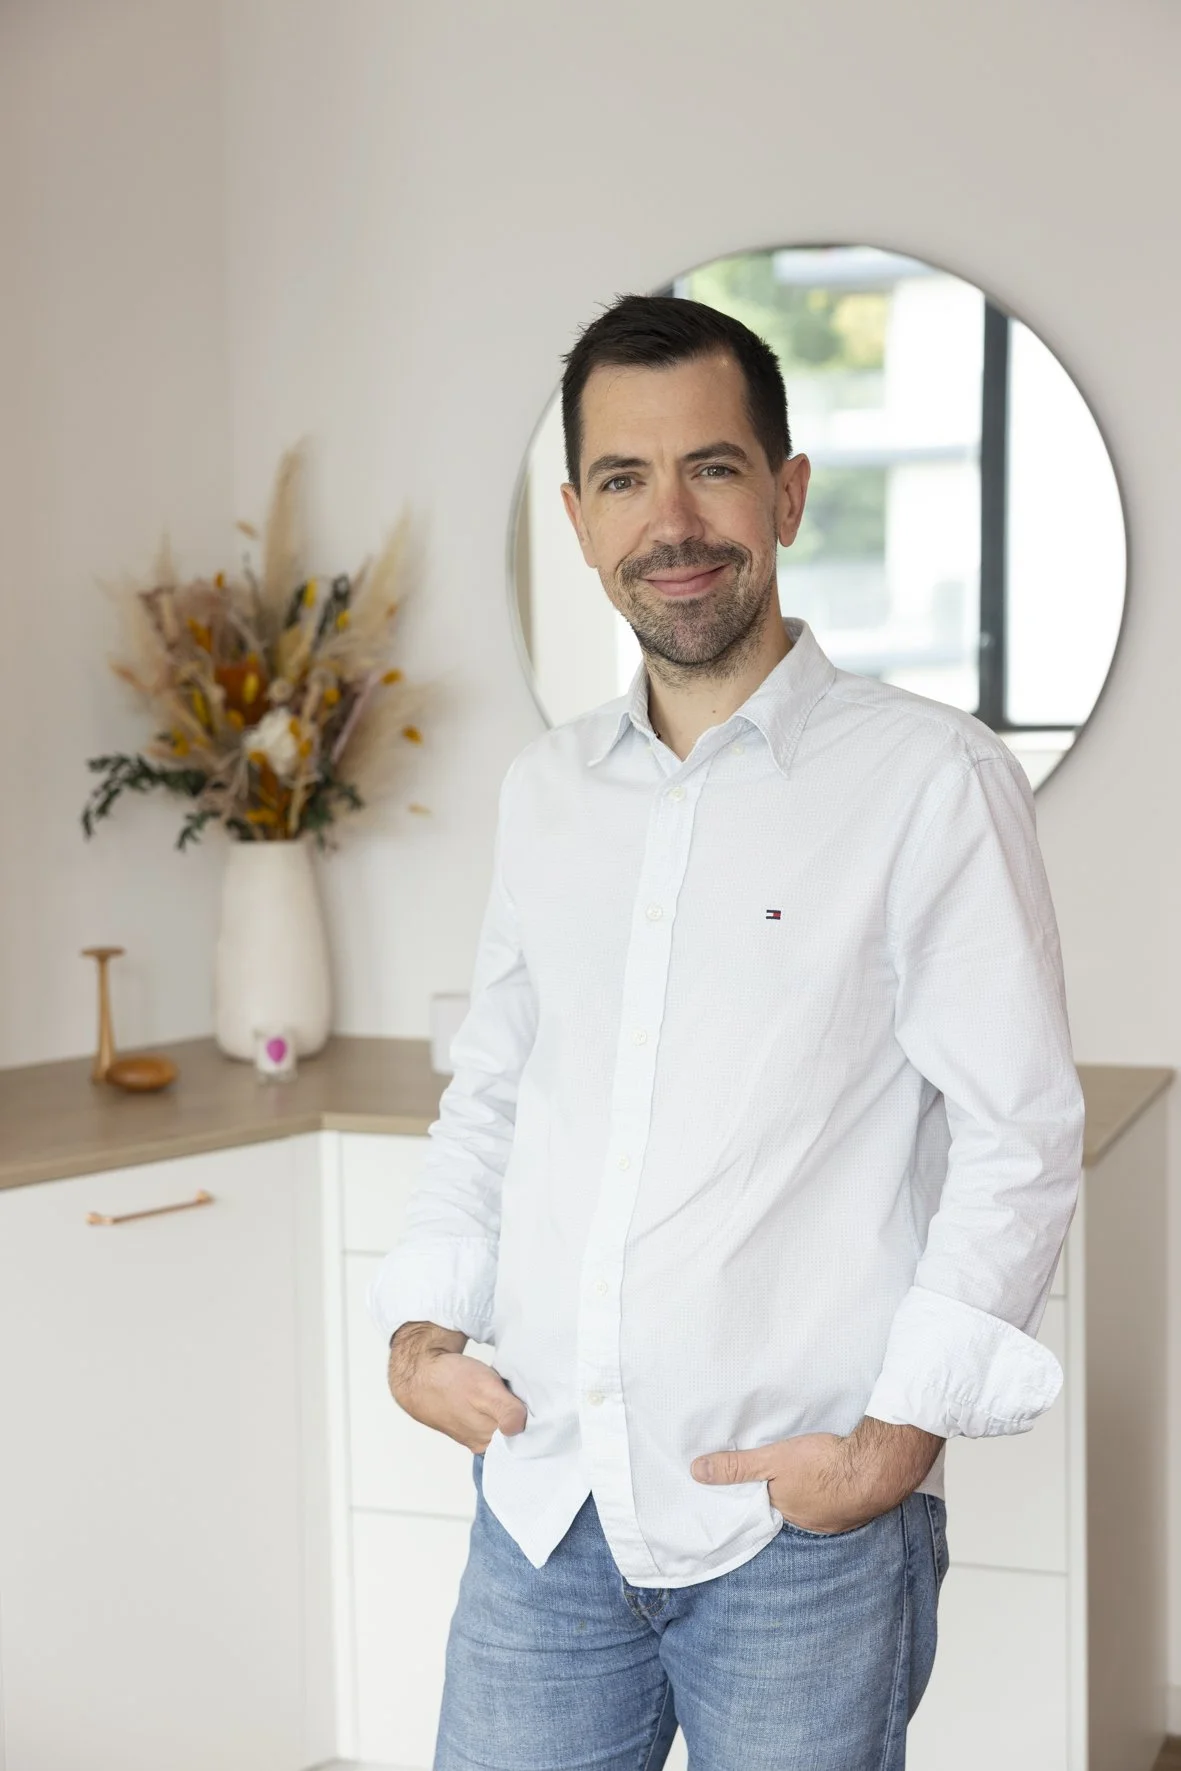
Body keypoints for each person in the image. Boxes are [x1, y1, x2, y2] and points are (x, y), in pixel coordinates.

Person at [368, 293, 1085, 1770]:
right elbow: (495, 1090)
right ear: (577, 518)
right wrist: (417, 1327)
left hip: (793, 1533)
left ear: (788, 491)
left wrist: (893, 1446)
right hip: (545, 1504)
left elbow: (1022, 1138)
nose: (672, 520)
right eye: (625, 479)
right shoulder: (547, 792)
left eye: (713, 466)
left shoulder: (931, 783)